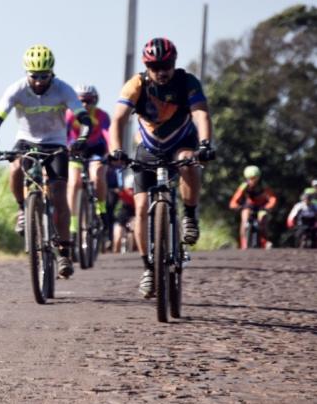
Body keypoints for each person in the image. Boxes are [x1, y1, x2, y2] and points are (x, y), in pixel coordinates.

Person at [108, 37, 215, 298]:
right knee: (142, 208)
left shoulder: (187, 82)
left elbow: (200, 113)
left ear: (173, 63)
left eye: (165, 65)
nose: (161, 71)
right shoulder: (137, 84)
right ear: (147, 66)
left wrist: (205, 144)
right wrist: (116, 150)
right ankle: (148, 268)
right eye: (154, 66)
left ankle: (189, 215)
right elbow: (119, 119)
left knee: (190, 160)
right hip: (149, 148)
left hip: (181, 141)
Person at [0, 44, 92, 279]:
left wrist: (82, 137)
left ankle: (64, 252)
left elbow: (83, 118)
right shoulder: (17, 89)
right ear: (26, 73)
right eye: (35, 76)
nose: (40, 81)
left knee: (60, 195)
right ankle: (23, 209)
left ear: (52, 72)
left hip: (55, 143)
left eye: (45, 76)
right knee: (14, 169)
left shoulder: (63, 89)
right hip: (26, 141)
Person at [66, 84, 110, 247]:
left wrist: (112, 151)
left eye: (89, 101)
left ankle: (101, 209)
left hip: (96, 148)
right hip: (75, 149)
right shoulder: (70, 114)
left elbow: (107, 134)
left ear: (95, 101)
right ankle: (73, 225)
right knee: (74, 183)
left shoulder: (101, 115)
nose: (85, 105)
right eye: (81, 101)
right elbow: (63, 132)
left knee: (97, 173)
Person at [228, 165, 278, 248]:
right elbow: (234, 199)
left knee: (263, 220)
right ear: (246, 178)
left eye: (255, 178)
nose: (253, 181)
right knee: (244, 220)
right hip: (248, 206)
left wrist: (269, 206)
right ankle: (244, 244)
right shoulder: (244, 186)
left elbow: (272, 198)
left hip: (261, 207)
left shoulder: (263, 186)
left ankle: (265, 242)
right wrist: (236, 206)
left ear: (258, 177)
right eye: (250, 178)